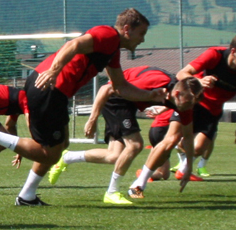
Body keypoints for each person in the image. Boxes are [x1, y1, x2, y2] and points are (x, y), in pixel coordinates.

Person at [0, 9, 165, 207]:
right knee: (48, 153)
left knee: (61, 145)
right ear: (127, 29)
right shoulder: (108, 34)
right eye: (142, 34)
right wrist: (54, 71)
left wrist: (150, 95)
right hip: (49, 88)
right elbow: (74, 44)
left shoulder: (112, 50)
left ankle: (27, 196)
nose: (143, 40)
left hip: (54, 91)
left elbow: (120, 86)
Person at [50, 69, 202, 205]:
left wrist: (188, 167)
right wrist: (92, 118)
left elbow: (188, 137)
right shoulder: (158, 82)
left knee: (114, 156)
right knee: (135, 145)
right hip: (116, 99)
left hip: (128, 105)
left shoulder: (184, 105)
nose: (190, 107)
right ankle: (111, 192)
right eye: (189, 102)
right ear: (177, 94)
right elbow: (107, 88)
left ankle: (67, 157)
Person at [175, 35, 236, 178]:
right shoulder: (215, 55)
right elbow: (181, 74)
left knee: (198, 148)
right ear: (233, 51)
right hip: (194, 103)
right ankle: (175, 168)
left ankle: (183, 166)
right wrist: (200, 81)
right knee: (171, 138)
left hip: (213, 111)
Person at [125, 98, 199, 198]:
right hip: (162, 130)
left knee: (165, 174)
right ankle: (142, 178)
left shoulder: (175, 102)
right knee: (161, 171)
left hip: (158, 129)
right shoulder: (182, 104)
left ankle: (145, 174)